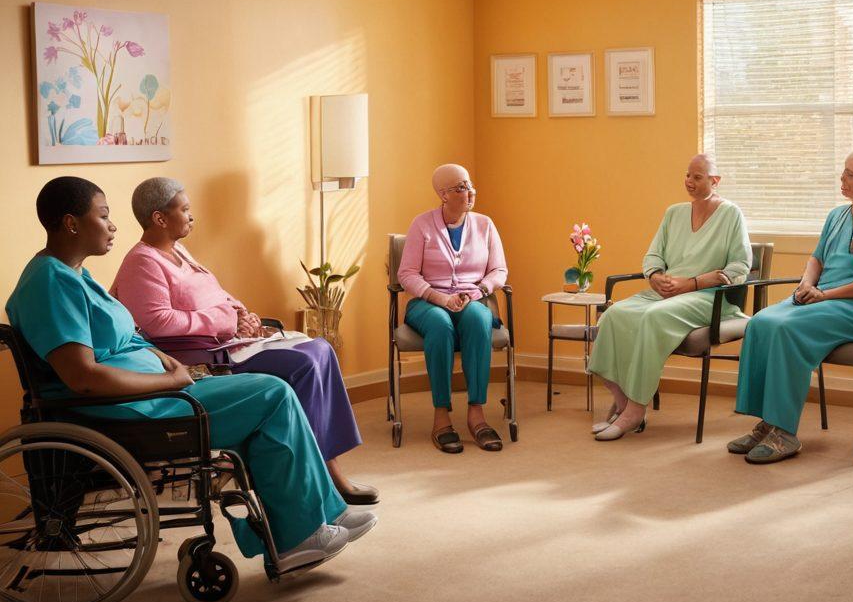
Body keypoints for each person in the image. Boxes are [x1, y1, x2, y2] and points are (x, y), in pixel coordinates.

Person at [6, 177, 376, 571]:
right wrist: (169, 379)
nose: (113, 225)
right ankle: (297, 537)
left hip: (157, 392)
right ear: (72, 224)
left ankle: (318, 517)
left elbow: (118, 337)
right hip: (137, 409)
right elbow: (82, 377)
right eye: (104, 215)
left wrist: (155, 354)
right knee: (274, 394)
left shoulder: (74, 274)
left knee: (277, 389)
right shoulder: (51, 283)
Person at [111, 177, 377, 505]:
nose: (192, 216)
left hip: (227, 341)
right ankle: (326, 473)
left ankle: (327, 463)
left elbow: (212, 291)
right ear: (159, 219)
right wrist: (225, 320)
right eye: (184, 209)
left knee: (320, 348)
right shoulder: (142, 261)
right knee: (303, 364)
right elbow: (158, 322)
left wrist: (242, 312)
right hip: (200, 355)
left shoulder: (177, 249)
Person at [730, 147, 853, 463]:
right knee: (760, 321)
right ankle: (767, 422)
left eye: (851, 174)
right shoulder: (836, 215)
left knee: (787, 328)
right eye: (843, 171)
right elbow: (817, 258)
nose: (842, 179)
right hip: (823, 299)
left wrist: (826, 295)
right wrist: (807, 283)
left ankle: (785, 433)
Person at [588, 154, 752, 441]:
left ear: (715, 181)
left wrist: (692, 283)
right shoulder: (674, 213)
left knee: (653, 317)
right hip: (666, 293)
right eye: (687, 175)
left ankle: (635, 410)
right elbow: (653, 255)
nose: (689, 181)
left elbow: (740, 267)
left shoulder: (730, 214)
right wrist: (655, 277)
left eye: (697, 177)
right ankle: (624, 402)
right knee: (614, 314)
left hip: (708, 298)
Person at [397, 164, 509, 454]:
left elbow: (499, 270)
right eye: (461, 187)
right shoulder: (421, 225)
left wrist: (479, 290)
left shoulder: (485, 225)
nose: (470, 191)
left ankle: (476, 413)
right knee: (440, 325)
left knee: (476, 319)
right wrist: (439, 298)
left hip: (473, 298)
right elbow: (406, 274)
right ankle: (441, 415)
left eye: (470, 184)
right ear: (443, 195)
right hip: (427, 302)